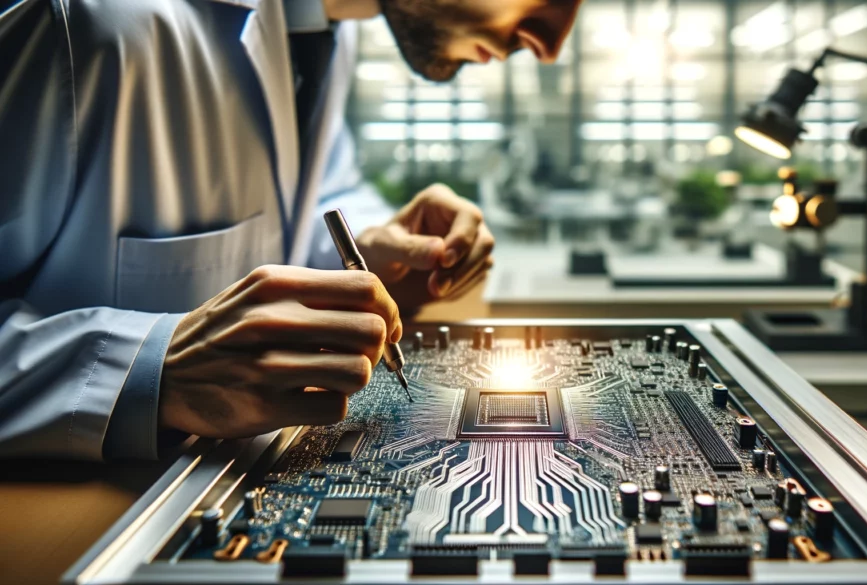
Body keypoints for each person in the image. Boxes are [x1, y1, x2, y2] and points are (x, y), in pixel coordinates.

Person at [0, 0, 583, 460]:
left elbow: (304, 210)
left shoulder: (325, 33)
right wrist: (153, 369)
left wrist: (381, 252)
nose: (552, 47)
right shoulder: (74, 22)